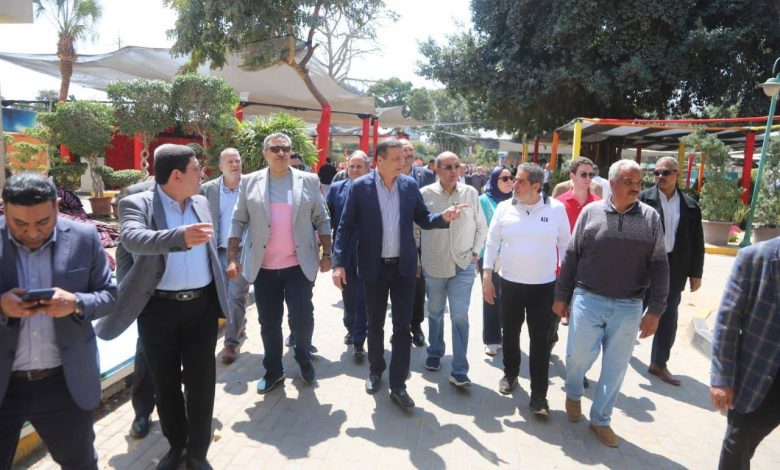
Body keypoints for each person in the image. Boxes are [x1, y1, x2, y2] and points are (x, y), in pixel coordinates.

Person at [96, 144, 230, 470]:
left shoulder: (201, 201)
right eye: (197, 169)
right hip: (158, 311)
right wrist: (178, 237)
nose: (203, 174)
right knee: (165, 385)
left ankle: (197, 453)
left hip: (201, 308)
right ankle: (177, 446)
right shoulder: (136, 203)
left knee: (201, 385)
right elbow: (133, 238)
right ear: (176, 176)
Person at [332, 138, 465, 409]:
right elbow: (345, 227)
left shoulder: (409, 185)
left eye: (403, 158)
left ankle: (398, 384)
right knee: (375, 324)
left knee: (402, 327)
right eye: (395, 158)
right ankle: (375, 370)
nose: (401, 163)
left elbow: (423, 218)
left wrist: (443, 217)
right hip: (373, 268)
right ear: (378, 161)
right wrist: (338, 263)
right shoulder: (360, 187)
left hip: (403, 268)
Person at [0, 173, 117, 470]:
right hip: (4, 384)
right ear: (4, 209)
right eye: (19, 224)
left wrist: (76, 303)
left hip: (64, 383)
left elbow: (110, 295)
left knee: (80, 463)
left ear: (56, 206)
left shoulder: (84, 237)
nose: (32, 232)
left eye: (42, 222)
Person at [553, 159, 668, 448]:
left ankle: (601, 420)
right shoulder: (591, 213)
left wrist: (656, 309)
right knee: (578, 357)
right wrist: (561, 295)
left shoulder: (651, 218)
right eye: (628, 182)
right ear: (612, 183)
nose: (635, 187)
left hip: (629, 305)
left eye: (638, 182)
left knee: (616, 368)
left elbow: (659, 265)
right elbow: (572, 255)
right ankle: (573, 392)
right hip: (588, 298)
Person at [227, 133, 331, 395]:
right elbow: (238, 221)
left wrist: (328, 254)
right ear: (265, 153)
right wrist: (232, 258)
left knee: (302, 318)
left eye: (286, 148)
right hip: (263, 268)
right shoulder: (249, 182)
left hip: (298, 266)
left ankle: (304, 359)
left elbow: (322, 218)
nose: (281, 153)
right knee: (269, 322)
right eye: (275, 149)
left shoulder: (308, 181)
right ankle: (273, 370)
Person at [483, 163, 570, 415]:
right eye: (514, 180)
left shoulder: (556, 209)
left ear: (536, 186)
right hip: (510, 284)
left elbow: (566, 246)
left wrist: (565, 285)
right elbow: (491, 242)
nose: (514, 185)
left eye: (520, 181)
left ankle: (539, 396)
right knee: (510, 334)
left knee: (541, 341)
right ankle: (510, 374)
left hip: (544, 287)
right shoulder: (504, 208)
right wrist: (487, 275)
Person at [710, 236, 780, 469]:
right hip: (758, 379)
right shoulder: (755, 258)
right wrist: (722, 379)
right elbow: (727, 321)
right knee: (737, 449)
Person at [420, 152, 487, 387]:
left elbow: (481, 226)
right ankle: (435, 351)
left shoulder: (470, 193)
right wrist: (418, 261)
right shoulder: (424, 194)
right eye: (448, 167)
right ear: (437, 169)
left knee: (459, 315)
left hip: (463, 264)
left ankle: (459, 369)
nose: (453, 171)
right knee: (435, 311)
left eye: (456, 166)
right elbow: (416, 229)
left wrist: (475, 253)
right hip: (434, 263)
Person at [639, 156, 704, 386]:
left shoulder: (690, 206)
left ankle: (659, 363)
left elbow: (697, 241)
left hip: (675, 268)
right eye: (656, 172)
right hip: (643, 266)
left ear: (677, 174)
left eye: (665, 172)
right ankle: (617, 354)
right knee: (631, 312)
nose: (660, 176)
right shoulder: (642, 199)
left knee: (668, 317)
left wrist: (696, 273)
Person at [554, 156, 602, 389]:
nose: (588, 179)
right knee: (551, 322)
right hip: (559, 270)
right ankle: (547, 347)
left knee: (581, 327)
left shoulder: (600, 204)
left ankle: (577, 370)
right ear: (572, 176)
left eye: (591, 175)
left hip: (588, 274)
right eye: (583, 174)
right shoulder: (559, 204)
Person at [115, 178, 157, 440]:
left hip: (187, 297)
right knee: (145, 354)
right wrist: (129, 293)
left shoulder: (195, 195)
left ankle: (188, 406)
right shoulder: (135, 195)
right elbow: (124, 250)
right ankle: (142, 412)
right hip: (149, 296)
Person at [201, 148, 252, 365]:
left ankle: (230, 343)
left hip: (242, 251)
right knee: (221, 297)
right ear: (221, 166)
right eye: (230, 161)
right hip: (217, 251)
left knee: (236, 295)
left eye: (237, 161)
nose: (235, 164)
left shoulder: (251, 186)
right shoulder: (208, 190)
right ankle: (239, 324)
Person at [326, 151, 370, 357]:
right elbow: (327, 218)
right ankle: (350, 327)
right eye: (351, 166)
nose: (354, 170)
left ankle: (359, 338)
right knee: (348, 293)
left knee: (363, 296)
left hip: (368, 252)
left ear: (368, 169)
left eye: (359, 166)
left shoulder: (375, 190)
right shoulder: (336, 189)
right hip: (344, 252)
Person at [399, 138, 435, 346]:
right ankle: (399, 327)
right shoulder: (388, 174)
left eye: (411, 149)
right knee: (395, 285)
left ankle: (416, 325)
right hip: (393, 238)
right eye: (405, 150)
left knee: (418, 285)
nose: (409, 153)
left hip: (420, 238)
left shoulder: (426, 175)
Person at [478, 167, 513, 356]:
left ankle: (505, 333)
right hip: (489, 256)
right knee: (491, 295)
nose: (509, 182)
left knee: (508, 298)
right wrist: (478, 254)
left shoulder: (517, 200)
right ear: (494, 180)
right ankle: (492, 339)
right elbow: (478, 228)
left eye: (511, 178)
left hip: (512, 257)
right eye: (504, 178)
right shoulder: (484, 201)